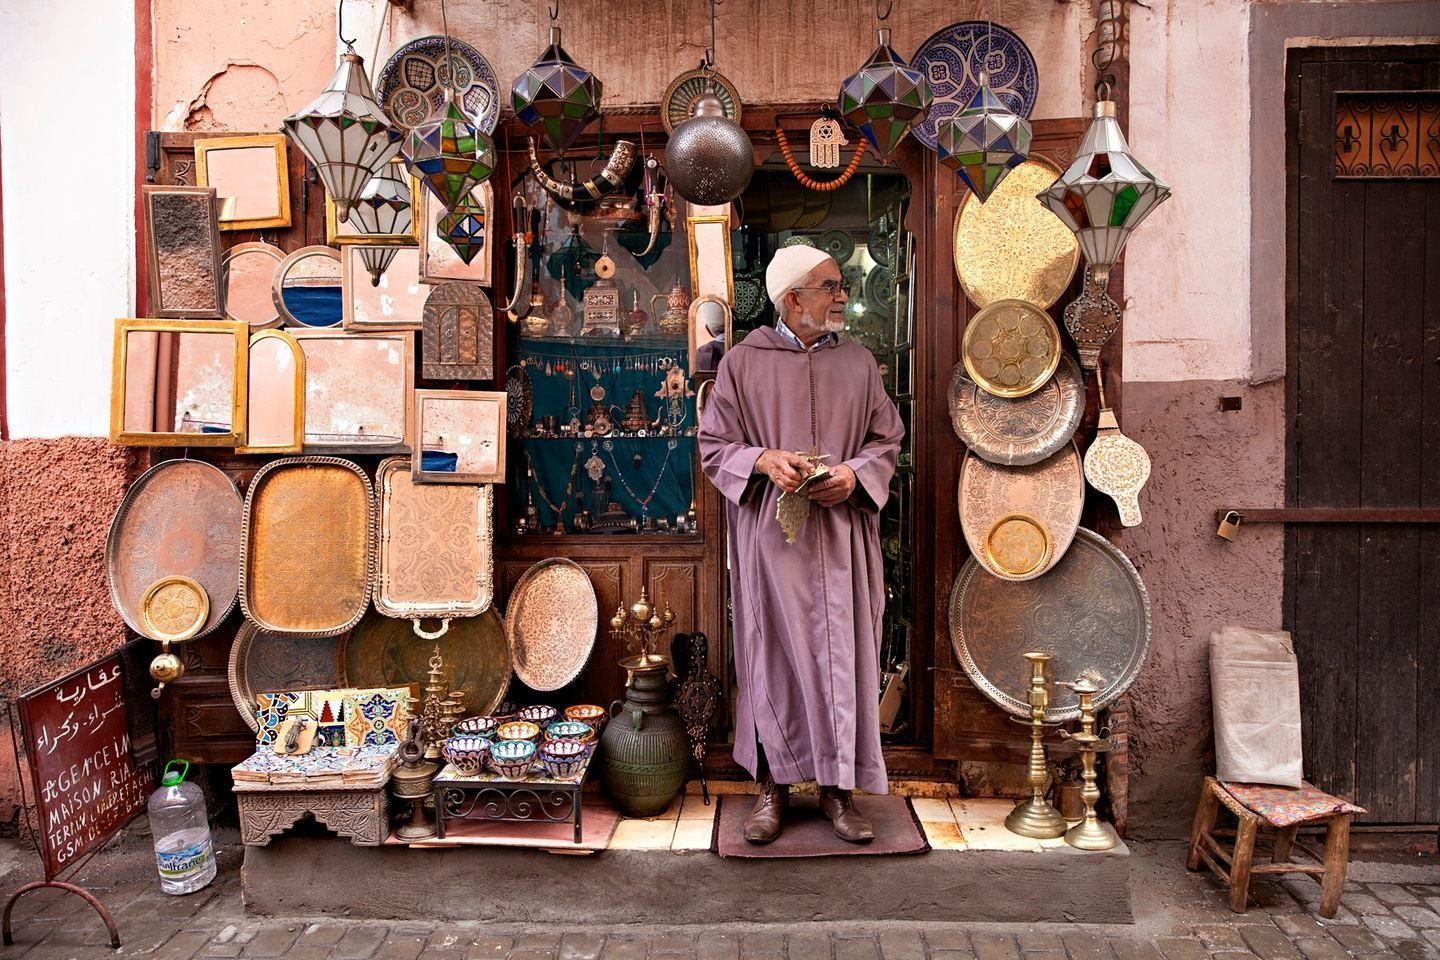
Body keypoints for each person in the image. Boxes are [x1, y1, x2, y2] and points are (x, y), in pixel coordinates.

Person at [697, 244, 904, 844]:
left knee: (844, 656)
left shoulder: (860, 364)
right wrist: (762, 459)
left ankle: (840, 793)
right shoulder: (742, 363)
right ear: (793, 298)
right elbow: (714, 446)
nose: (842, 296)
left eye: (840, 286)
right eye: (831, 286)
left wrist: (856, 475)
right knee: (776, 658)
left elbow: (886, 440)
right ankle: (772, 789)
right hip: (773, 542)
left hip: (841, 541)